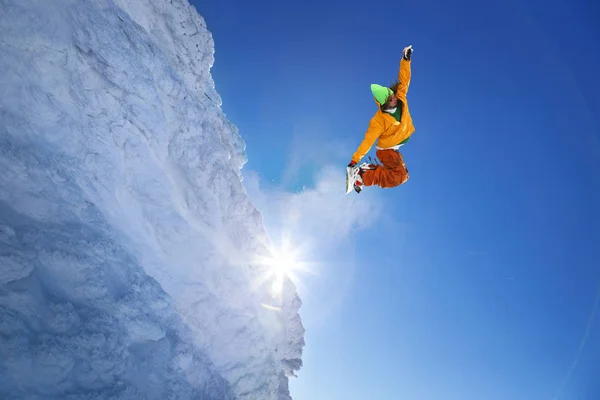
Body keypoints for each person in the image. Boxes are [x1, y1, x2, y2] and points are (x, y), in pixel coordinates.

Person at [346, 45, 415, 194]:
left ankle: (367, 170)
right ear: (383, 105)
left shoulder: (400, 96)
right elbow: (368, 141)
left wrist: (405, 59)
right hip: (386, 150)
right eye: (391, 99)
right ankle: (362, 176)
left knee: (402, 173)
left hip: (395, 146)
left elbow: (404, 79)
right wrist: (354, 160)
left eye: (393, 95)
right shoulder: (378, 121)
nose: (394, 99)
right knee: (400, 176)